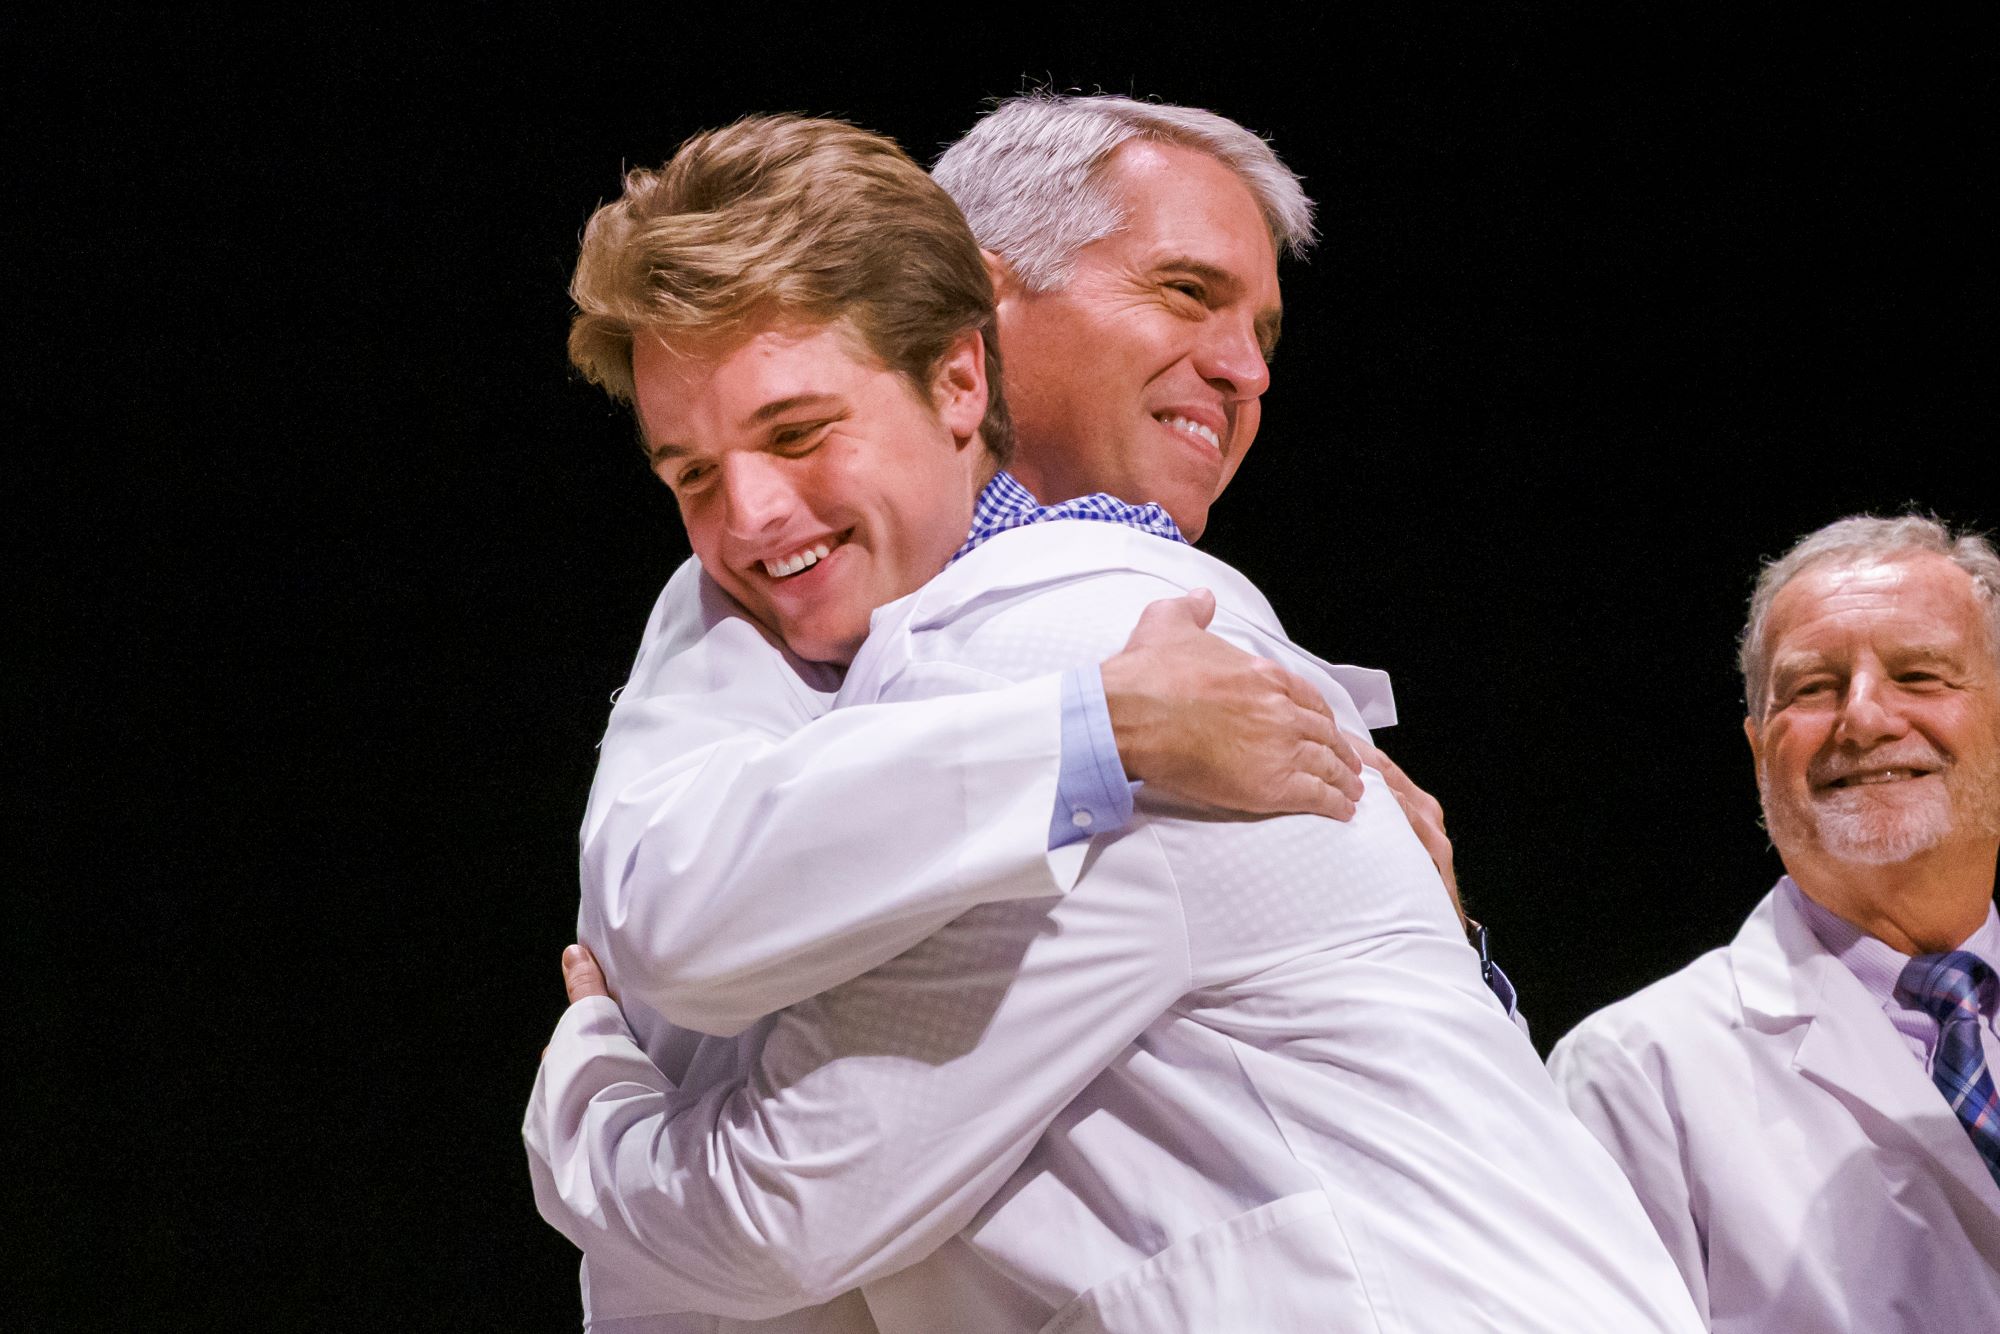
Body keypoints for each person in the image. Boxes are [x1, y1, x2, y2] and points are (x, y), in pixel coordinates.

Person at [525, 111, 1703, 1333]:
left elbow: (774, 1210)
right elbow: (673, 891)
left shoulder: (1085, 645)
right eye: (692, 474)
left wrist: (585, 1080)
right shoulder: (990, 648)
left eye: (797, 432)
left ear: (956, 372)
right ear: (982, 315)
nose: (1241, 366)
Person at [1548, 514, 2000, 1331]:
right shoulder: (1635, 1072)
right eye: (1813, 689)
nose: (1863, 719)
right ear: (1761, 755)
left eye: (1920, 675)